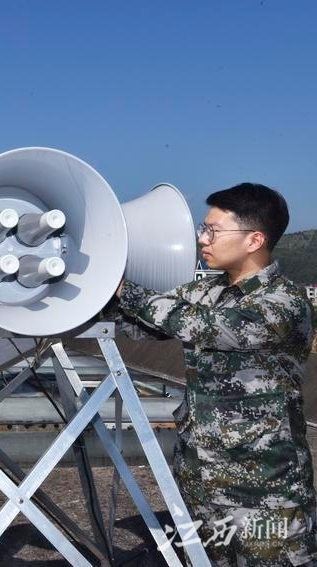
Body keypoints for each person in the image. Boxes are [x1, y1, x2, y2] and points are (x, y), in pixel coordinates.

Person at [115, 183, 317, 565]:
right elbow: (143, 325)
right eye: (202, 229)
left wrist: (124, 289)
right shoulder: (206, 293)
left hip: (265, 490)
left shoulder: (284, 302)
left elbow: (205, 326)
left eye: (213, 231)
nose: (202, 239)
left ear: (254, 239)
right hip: (201, 481)